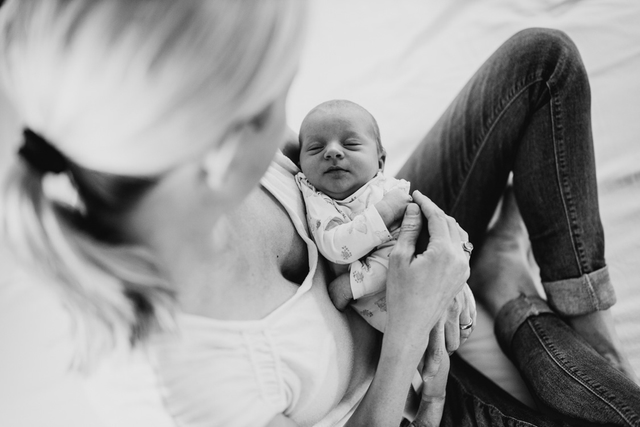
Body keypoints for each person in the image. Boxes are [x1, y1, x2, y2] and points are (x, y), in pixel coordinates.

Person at [0, 1, 638, 427]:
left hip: (382, 245)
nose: (291, 126)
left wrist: (410, 225)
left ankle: (585, 314)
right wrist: (411, 325)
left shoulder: (155, 162)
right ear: (219, 149)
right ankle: (515, 299)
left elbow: (319, 165)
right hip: (407, 389)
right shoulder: (182, 388)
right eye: (274, 97)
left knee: (541, 63)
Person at [296, 99, 429, 332]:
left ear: (380, 160)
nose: (333, 151)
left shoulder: (391, 192)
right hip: (402, 326)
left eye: (351, 144)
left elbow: (413, 251)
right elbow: (337, 247)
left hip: (433, 290)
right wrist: (384, 213)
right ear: (301, 165)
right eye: (316, 148)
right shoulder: (318, 200)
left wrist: (350, 285)